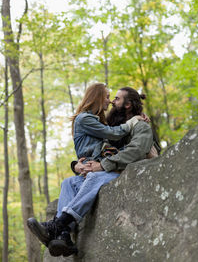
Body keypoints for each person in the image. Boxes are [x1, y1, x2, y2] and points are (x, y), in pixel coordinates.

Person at [27, 83, 146, 257]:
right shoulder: (93, 120)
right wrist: (77, 164)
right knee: (68, 182)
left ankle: (59, 226)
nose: (111, 101)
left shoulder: (138, 125)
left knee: (92, 178)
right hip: (101, 167)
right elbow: (104, 141)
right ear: (97, 98)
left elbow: (131, 148)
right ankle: (63, 236)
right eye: (108, 97)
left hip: (115, 169)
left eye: (115, 98)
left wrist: (98, 165)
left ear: (128, 104)